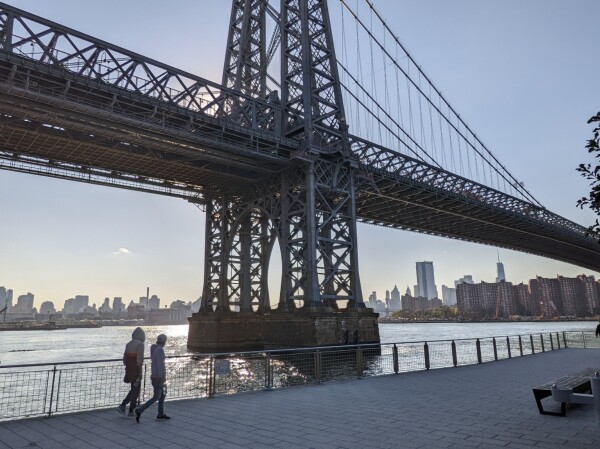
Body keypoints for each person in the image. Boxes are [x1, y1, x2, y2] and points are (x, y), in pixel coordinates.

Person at [135, 334, 170, 422]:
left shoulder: (154, 349)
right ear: (164, 342)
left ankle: (160, 414)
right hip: (158, 377)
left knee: (162, 395)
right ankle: (140, 410)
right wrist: (163, 377)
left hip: (154, 376)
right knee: (156, 397)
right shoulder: (160, 351)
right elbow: (160, 365)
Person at [117, 327, 145, 417]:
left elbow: (124, 360)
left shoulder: (128, 344)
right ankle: (124, 406)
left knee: (134, 389)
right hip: (136, 371)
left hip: (129, 370)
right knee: (135, 390)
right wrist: (140, 372)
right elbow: (139, 359)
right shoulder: (140, 344)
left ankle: (130, 410)